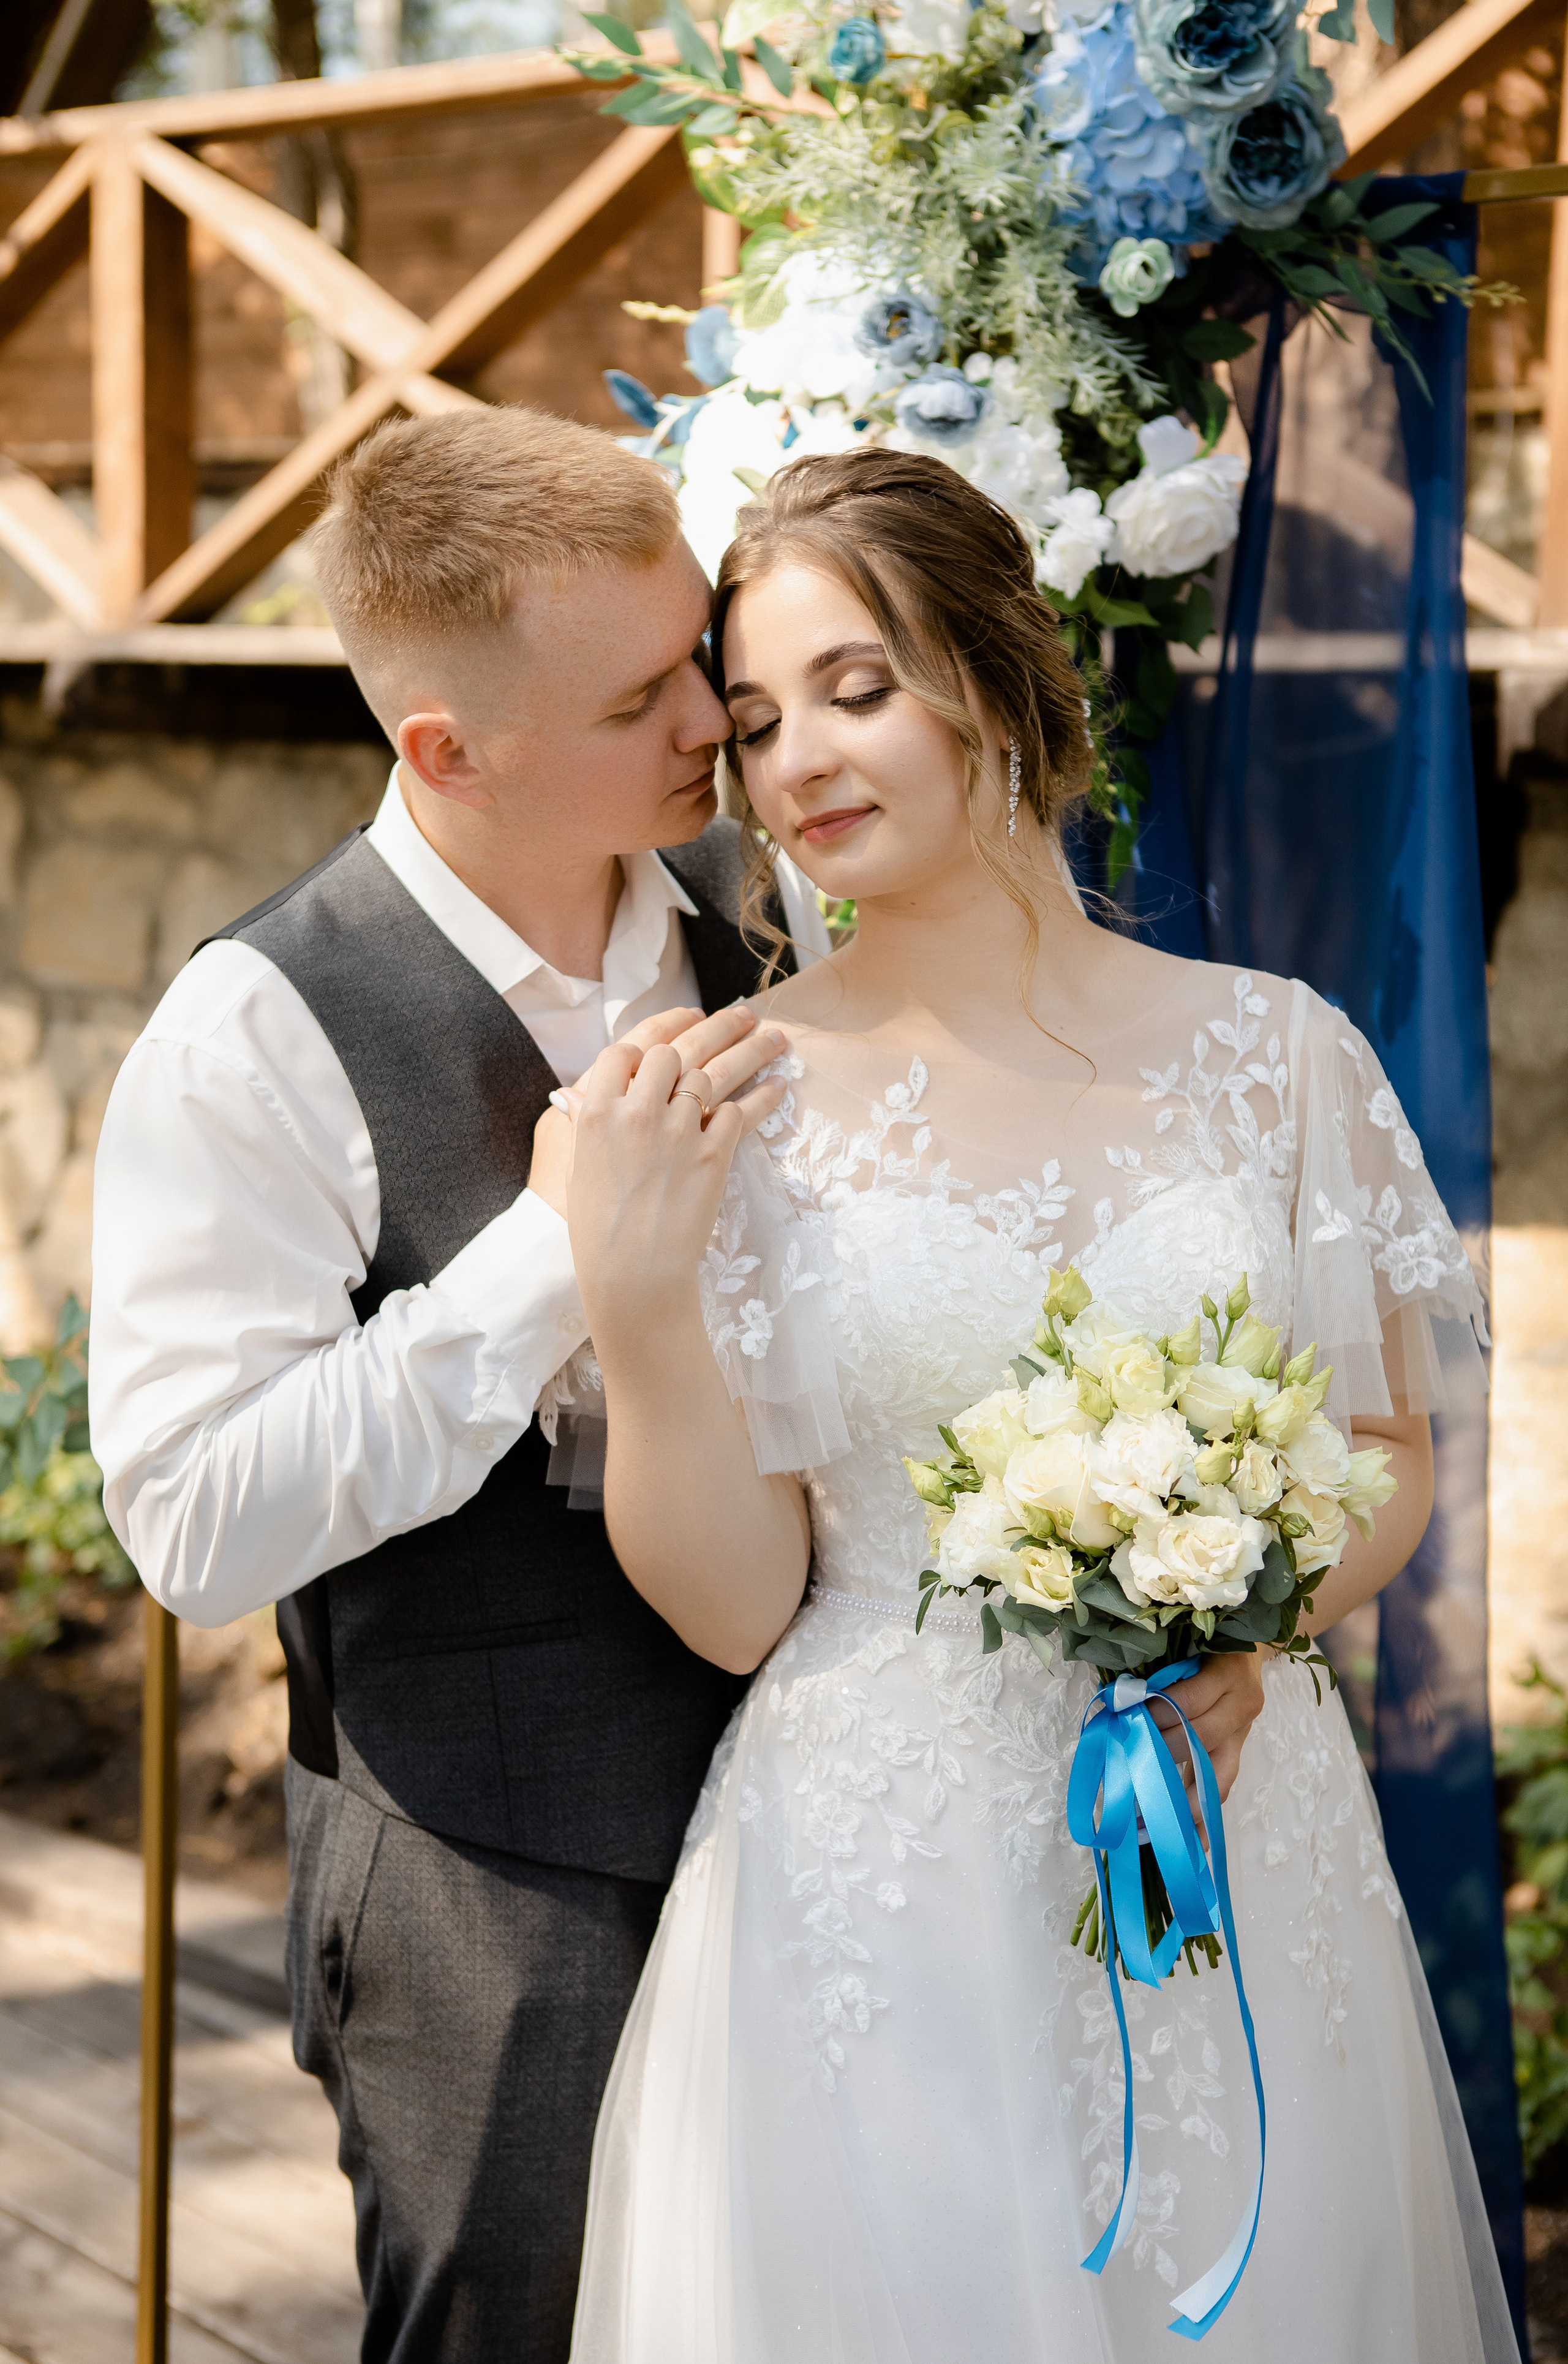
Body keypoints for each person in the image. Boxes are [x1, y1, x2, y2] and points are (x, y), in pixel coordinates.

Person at [551, 448, 1518, 2362]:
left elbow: (1389, 1455)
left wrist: (1253, 1622)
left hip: (1234, 1821)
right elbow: (741, 1604)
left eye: (858, 685)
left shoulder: (1277, 1053)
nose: (799, 758)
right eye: (755, 722)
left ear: (996, 674)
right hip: (874, 1867)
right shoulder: (726, 1098)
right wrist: (641, 1303)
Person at [88, 405, 827, 2363]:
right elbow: (191, 1518)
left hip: (827, 1813)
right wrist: (545, 1262)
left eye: (702, 645)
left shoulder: (773, 927)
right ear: (446, 746)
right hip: (490, 1885)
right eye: (643, 693)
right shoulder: (254, 1031)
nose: (716, 716)